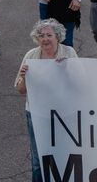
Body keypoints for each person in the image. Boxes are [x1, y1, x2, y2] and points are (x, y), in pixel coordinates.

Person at [15, 19, 77, 182]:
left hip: (64, 113)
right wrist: (23, 77)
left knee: (64, 155)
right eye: (41, 36)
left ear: (58, 37)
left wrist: (67, 69)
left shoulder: (69, 53)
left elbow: (81, 83)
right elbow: (21, 90)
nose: (45, 39)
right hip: (37, 113)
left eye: (49, 35)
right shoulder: (31, 55)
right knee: (38, 159)